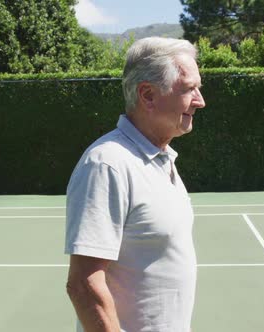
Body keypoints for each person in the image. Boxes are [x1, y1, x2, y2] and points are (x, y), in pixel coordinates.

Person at [64, 36, 206, 332]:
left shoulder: (162, 158)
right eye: (189, 89)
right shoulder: (108, 164)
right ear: (148, 95)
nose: (200, 101)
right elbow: (83, 284)